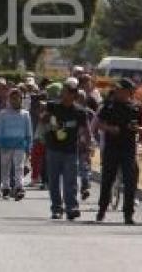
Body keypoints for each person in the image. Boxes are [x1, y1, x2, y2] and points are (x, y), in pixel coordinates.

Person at [96, 78, 142, 225]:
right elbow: (99, 123)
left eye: (121, 90)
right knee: (107, 180)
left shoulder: (137, 106)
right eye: (117, 89)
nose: (117, 92)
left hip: (128, 149)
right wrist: (110, 128)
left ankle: (128, 214)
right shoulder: (109, 105)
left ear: (128, 92)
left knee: (130, 181)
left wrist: (137, 129)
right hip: (112, 148)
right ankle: (102, 210)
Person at [42, 81, 89, 220]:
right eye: (63, 91)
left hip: (71, 150)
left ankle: (72, 207)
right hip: (53, 148)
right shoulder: (53, 106)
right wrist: (49, 120)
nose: (63, 93)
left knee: (71, 181)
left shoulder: (80, 111)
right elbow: (43, 117)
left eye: (67, 91)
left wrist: (85, 144)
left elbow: (83, 129)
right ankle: (56, 209)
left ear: (74, 95)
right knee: (54, 181)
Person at [0, 88, 33, 201]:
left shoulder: (25, 114)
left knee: (19, 167)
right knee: (5, 166)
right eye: (13, 98)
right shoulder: (3, 113)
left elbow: (28, 131)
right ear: (9, 100)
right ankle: (5, 187)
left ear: (21, 99)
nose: (15, 100)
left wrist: (29, 145)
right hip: (5, 143)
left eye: (18, 98)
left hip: (20, 144)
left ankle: (19, 187)